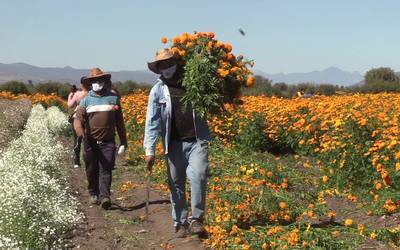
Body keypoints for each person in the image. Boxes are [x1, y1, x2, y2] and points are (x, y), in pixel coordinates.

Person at [144, 48, 210, 237]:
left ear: (176, 63)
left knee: (199, 175)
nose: (166, 68)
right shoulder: (157, 90)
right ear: (158, 69)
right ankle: (180, 222)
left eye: (169, 63)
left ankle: (196, 219)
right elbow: (152, 121)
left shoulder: (193, 82)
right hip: (173, 143)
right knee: (176, 184)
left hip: (197, 140)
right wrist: (150, 150)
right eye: (162, 65)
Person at [74, 68, 127, 209]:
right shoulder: (85, 101)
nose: (97, 83)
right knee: (91, 169)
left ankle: (105, 196)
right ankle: (93, 193)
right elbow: (78, 119)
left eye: (99, 80)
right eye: (94, 81)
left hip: (108, 142)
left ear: (105, 81)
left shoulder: (114, 98)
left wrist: (123, 141)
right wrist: (80, 132)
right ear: (90, 83)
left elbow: (119, 122)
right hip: (90, 141)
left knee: (106, 168)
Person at [67, 82, 88, 168]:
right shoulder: (92, 94)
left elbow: (70, 105)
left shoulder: (77, 94)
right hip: (89, 117)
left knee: (77, 139)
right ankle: (88, 159)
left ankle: (76, 161)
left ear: (81, 84)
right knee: (88, 139)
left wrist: (70, 96)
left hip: (78, 117)